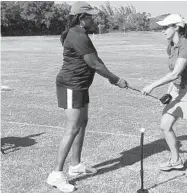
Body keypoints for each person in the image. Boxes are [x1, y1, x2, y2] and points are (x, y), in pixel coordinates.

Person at [46, 2, 128, 192]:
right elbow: (95, 64)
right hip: (70, 86)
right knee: (73, 127)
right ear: (82, 18)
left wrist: (111, 77)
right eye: (91, 16)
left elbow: (96, 61)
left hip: (81, 86)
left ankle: (75, 166)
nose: (94, 19)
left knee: (82, 123)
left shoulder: (80, 34)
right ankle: (56, 174)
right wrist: (115, 79)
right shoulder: (77, 35)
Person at [141, 14, 187, 177]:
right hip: (176, 90)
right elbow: (173, 73)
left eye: (165, 27)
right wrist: (170, 91)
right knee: (165, 125)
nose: (162, 31)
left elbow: (176, 73)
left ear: (176, 27)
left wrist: (152, 85)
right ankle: (176, 160)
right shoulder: (170, 45)